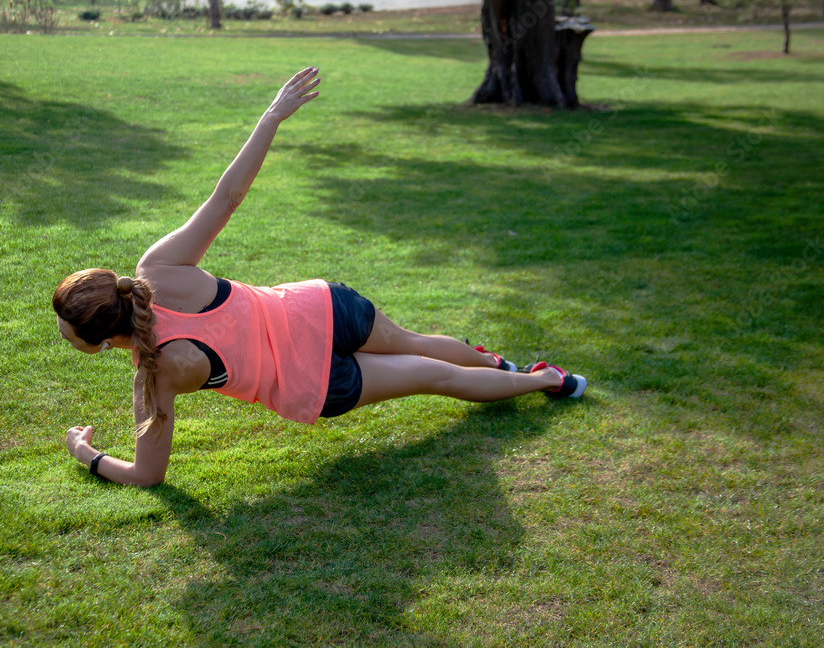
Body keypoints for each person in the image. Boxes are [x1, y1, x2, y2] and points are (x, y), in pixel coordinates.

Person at [53, 67, 586, 487]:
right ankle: (502, 364)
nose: (61, 330)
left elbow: (148, 475)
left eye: (66, 328)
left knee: (432, 377)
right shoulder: (155, 269)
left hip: (315, 384)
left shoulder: (155, 374)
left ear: (102, 341)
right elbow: (226, 198)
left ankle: (545, 379)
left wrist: (86, 453)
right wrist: (270, 117)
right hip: (320, 307)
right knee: (418, 346)